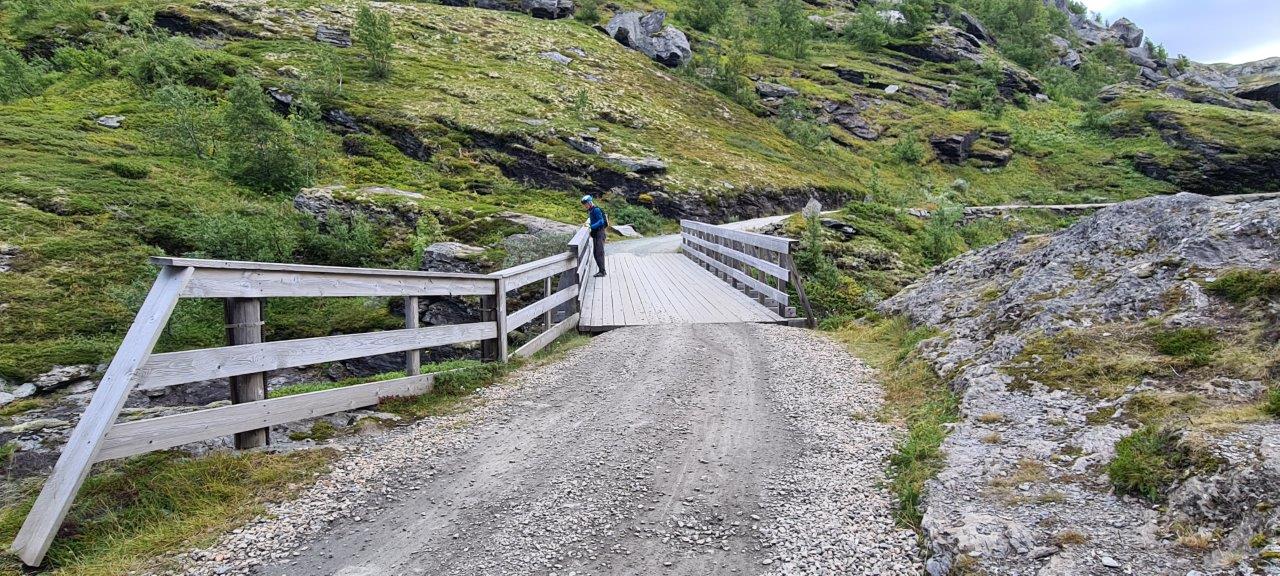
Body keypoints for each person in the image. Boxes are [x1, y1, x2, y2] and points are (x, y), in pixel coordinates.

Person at [582, 195, 607, 277]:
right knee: (596, 252)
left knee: (598, 252)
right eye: (584, 204)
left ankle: (602, 272)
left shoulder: (596, 210)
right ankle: (601, 271)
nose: (585, 206)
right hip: (596, 232)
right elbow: (594, 220)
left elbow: (601, 221)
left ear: (589, 202)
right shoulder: (591, 210)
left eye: (585, 204)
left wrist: (591, 227)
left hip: (600, 232)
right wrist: (588, 224)